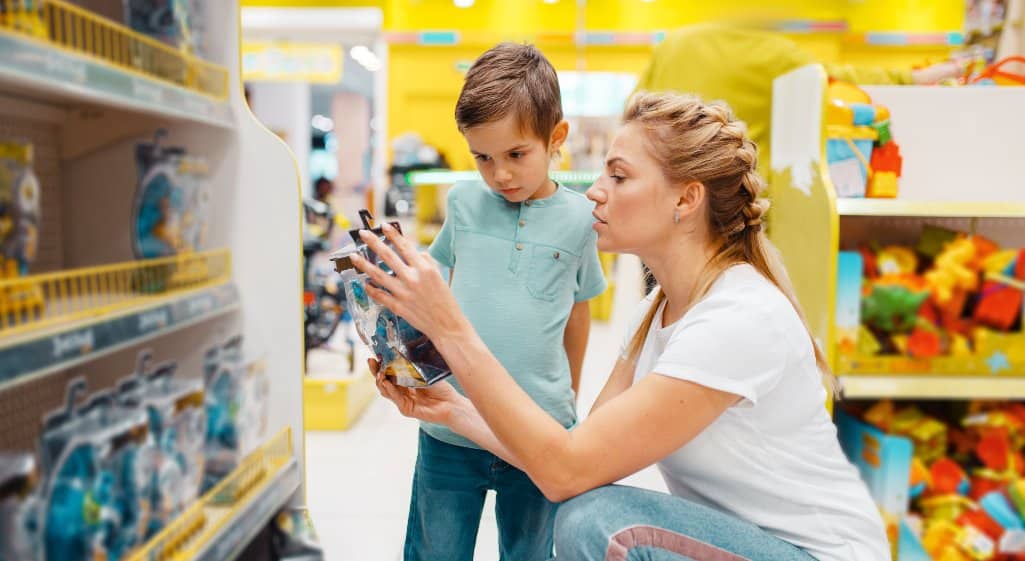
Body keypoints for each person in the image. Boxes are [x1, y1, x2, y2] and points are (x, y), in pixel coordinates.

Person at [351, 91, 889, 561]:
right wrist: (453, 409)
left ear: (686, 198)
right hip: (739, 542)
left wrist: (449, 327)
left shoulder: (739, 317)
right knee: (584, 502)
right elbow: (574, 461)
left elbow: (565, 473)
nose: (594, 191)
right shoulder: (654, 313)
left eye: (619, 175)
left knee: (597, 521)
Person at [396, 43, 608, 561]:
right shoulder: (463, 204)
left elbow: (577, 314)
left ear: (555, 137)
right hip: (450, 431)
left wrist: (569, 397)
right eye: (483, 158)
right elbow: (437, 290)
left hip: (536, 435)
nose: (501, 174)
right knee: (434, 552)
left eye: (516, 154)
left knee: (529, 553)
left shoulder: (582, 221)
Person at [636, 23, 966, 176]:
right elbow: (838, 78)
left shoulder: (672, 46)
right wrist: (915, 77)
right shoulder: (774, 54)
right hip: (727, 206)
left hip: (661, 201)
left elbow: (634, 114)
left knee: (666, 303)